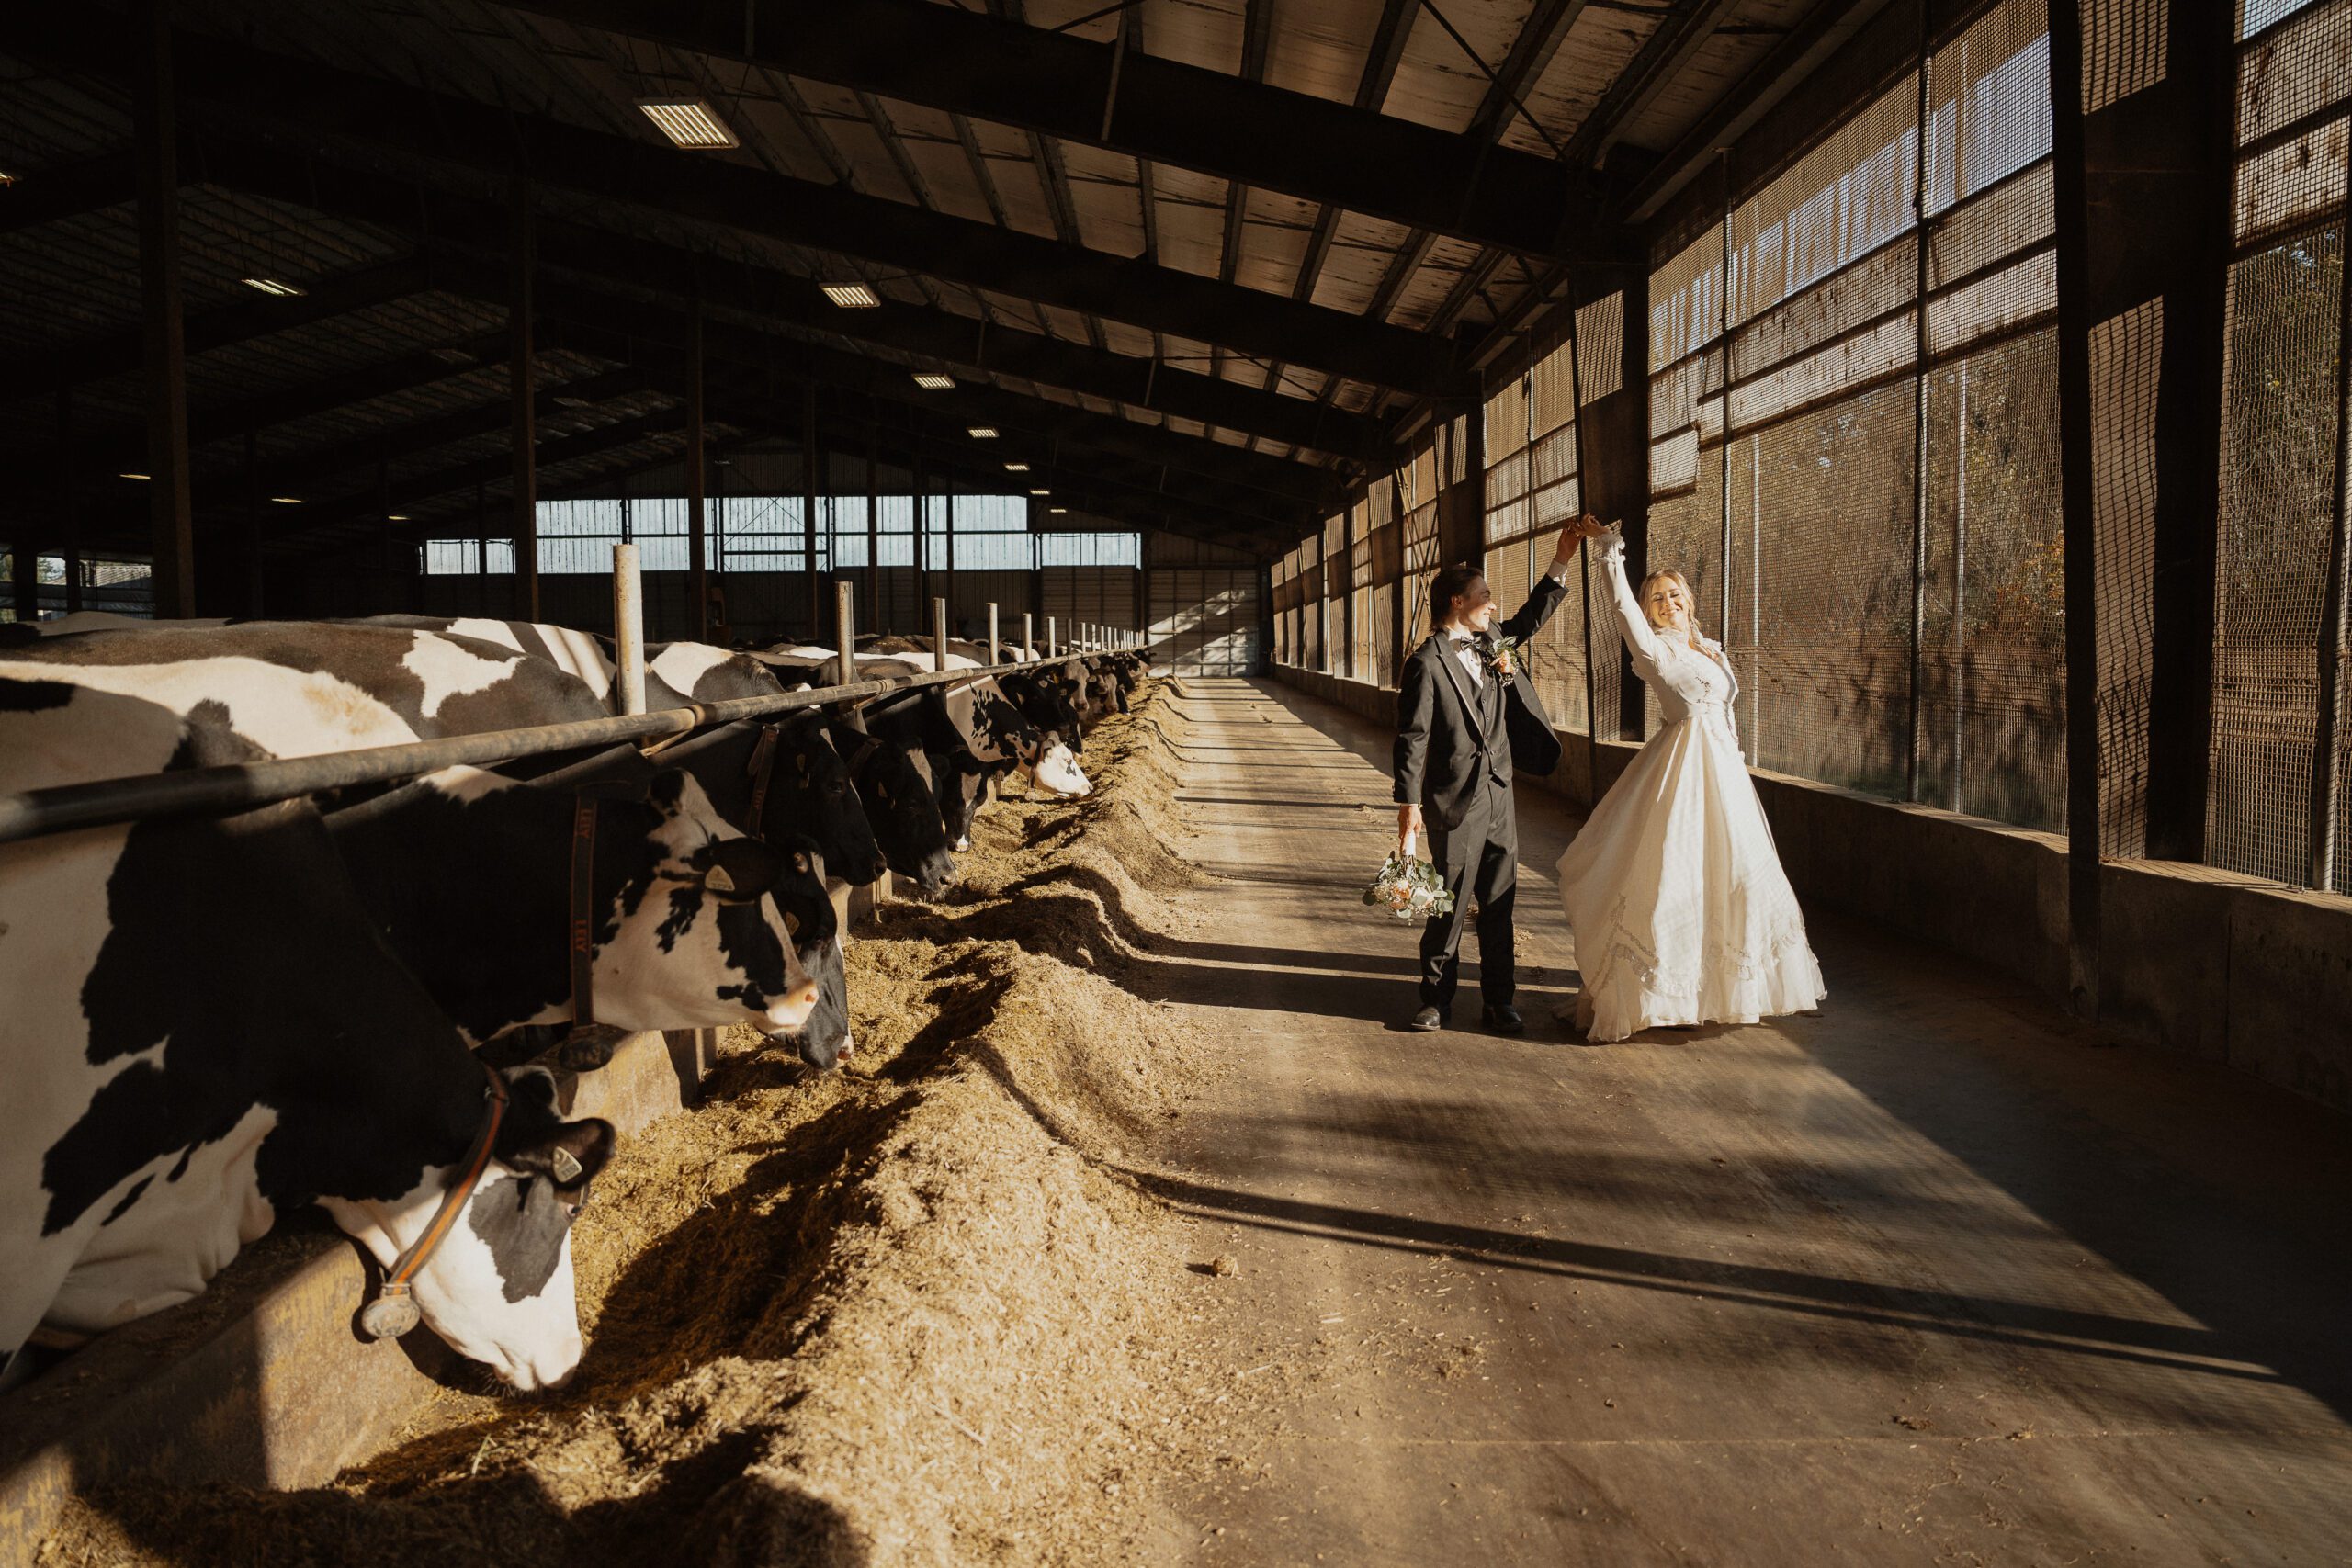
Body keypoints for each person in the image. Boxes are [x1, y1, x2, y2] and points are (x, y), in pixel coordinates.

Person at [1555, 523, 1826, 1043]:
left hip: (1725, 775)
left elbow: (1724, 714)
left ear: (1689, 599)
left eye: (1675, 594)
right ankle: (1657, 996)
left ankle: (1728, 991)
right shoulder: (1657, 652)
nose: (1668, 602)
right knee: (1672, 880)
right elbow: (1621, 612)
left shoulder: (1711, 650)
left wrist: (1737, 762)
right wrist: (1612, 552)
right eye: (1657, 598)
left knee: (1741, 877)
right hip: (1680, 778)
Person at [1393, 517, 1601, 1033]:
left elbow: (1532, 617)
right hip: (1453, 801)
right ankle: (1435, 1001)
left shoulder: (1492, 643)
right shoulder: (1426, 663)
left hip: (1499, 793)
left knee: (1500, 902)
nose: (1492, 604)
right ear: (1457, 604)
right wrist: (1409, 807)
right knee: (1450, 902)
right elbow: (1413, 739)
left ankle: (1498, 1001)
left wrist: (1563, 556)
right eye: (1483, 595)